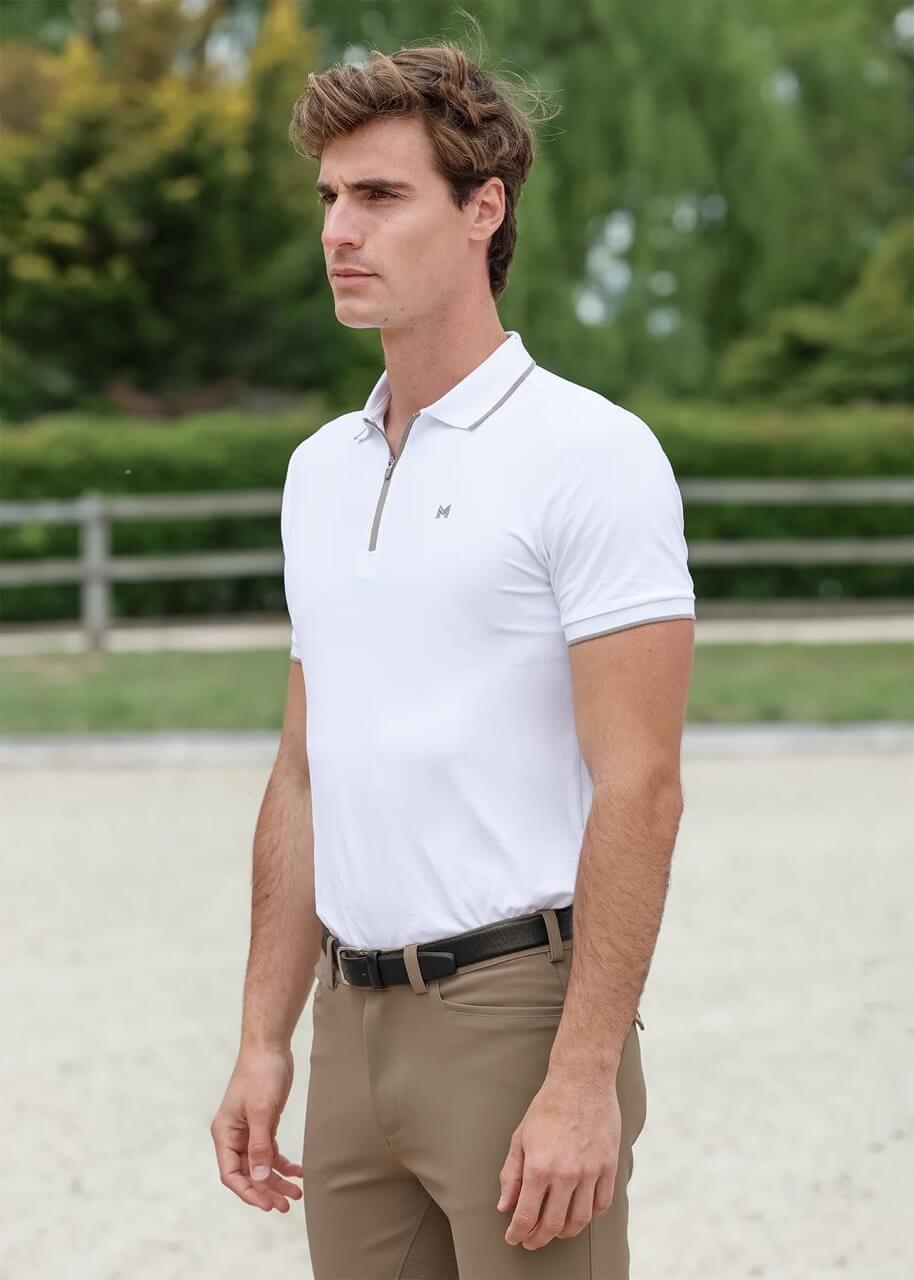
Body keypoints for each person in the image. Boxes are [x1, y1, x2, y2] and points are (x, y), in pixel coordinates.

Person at [210, 36, 695, 1279]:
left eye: (380, 195)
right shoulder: (318, 471)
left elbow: (640, 784)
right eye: (330, 197)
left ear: (484, 209)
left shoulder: (589, 453)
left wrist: (580, 1076)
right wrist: (263, 1036)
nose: (339, 230)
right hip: (348, 1019)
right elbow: (303, 771)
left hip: (514, 1018)